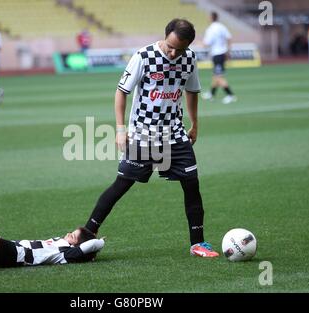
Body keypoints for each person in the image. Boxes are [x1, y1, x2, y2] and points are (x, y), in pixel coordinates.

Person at [83, 18, 219, 258]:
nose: (174, 52)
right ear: (165, 36)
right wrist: (120, 128)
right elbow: (121, 91)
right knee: (122, 184)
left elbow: (192, 92)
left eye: (181, 48)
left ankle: (198, 243)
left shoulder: (189, 59)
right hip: (143, 133)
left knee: (192, 184)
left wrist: (195, 124)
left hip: (175, 133)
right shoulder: (143, 56)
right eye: (170, 46)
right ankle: (87, 233)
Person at [201, 12, 236, 104]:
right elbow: (229, 38)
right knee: (216, 76)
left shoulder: (211, 29)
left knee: (219, 77)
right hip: (222, 53)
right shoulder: (222, 26)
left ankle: (230, 95)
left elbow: (206, 43)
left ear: (211, 18)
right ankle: (211, 94)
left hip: (217, 54)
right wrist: (228, 51)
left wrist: (199, 43)